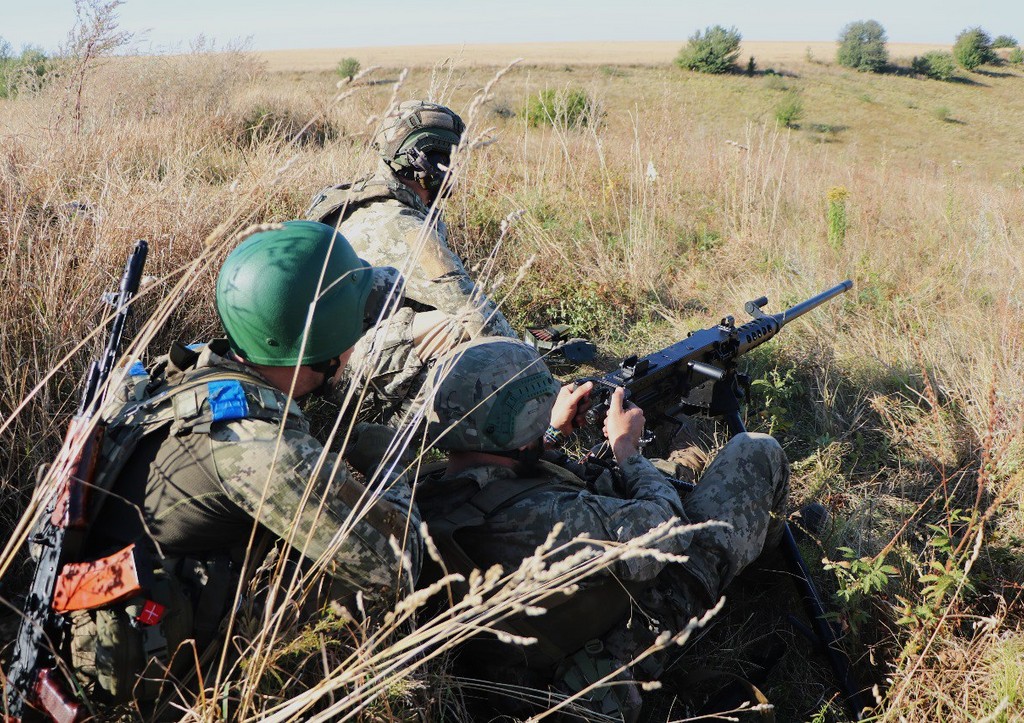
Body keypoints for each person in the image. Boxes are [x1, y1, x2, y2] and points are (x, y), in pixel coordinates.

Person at [62, 221, 421, 707]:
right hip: (149, 653)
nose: (358, 342)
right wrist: (393, 461)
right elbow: (394, 565)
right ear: (325, 347)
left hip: (106, 588)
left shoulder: (186, 369)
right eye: (356, 327)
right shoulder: (257, 447)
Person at [416, 337, 790, 722]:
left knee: (661, 466)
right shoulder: (548, 517)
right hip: (611, 642)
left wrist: (549, 435)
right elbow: (669, 531)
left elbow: (506, 482)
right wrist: (627, 450)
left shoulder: (428, 491)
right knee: (756, 451)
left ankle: (687, 462)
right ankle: (766, 556)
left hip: (521, 654)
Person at [305, 100, 517, 424]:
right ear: (432, 163)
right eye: (452, 160)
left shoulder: (349, 199)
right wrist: (540, 384)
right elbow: (474, 311)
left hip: (316, 364)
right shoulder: (405, 227)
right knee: (457, 327)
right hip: (344, 379)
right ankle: (402, 427)